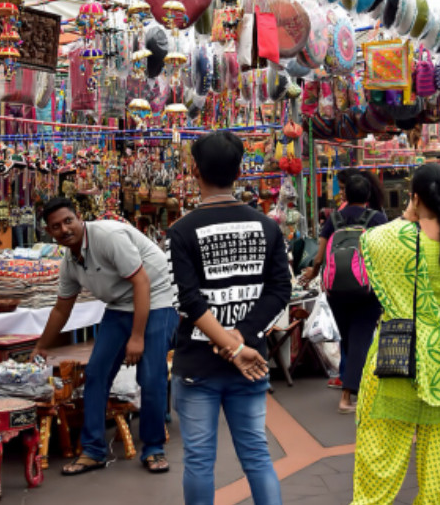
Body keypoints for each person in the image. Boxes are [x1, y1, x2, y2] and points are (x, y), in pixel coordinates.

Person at [167, 131, 291, 505]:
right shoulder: (267, 226)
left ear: (194, 171)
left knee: (200, 461)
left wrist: (227, 343)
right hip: (249, 361)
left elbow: (188, 299)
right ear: (240, 171)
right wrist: (240, 339)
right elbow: (279, 290)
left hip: (198, 364)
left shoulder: (182, 231)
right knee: (256, 455)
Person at [351, 163, 440, 504]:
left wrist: (409, 215)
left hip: (398, 352)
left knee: (380, 446)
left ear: (413, 197)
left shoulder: (380, 239)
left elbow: (363, 275)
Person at [33, 198, 179, 475]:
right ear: (49, 233)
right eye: (56, 226)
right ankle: (93, 450)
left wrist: (137, 337)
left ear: (79, 219)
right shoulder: (70, 262)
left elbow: (142, 282)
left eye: (68, 221)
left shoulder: (107, 237)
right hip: (119, 305)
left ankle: (153, 449)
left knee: (150, 376)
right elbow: (61, 308)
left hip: (157, 296)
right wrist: (42, 346)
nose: (64, 229)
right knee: (97, 373)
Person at [300, 171, 387, 413]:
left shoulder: (334, 219)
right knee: (361, 338)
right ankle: (348, 397)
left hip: (336, 290)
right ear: (368, 195)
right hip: (367, 289)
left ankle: (355, 389)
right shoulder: (377, 219)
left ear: (346, 195)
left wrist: (313, 274)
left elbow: (320, 255)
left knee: (349, 340)